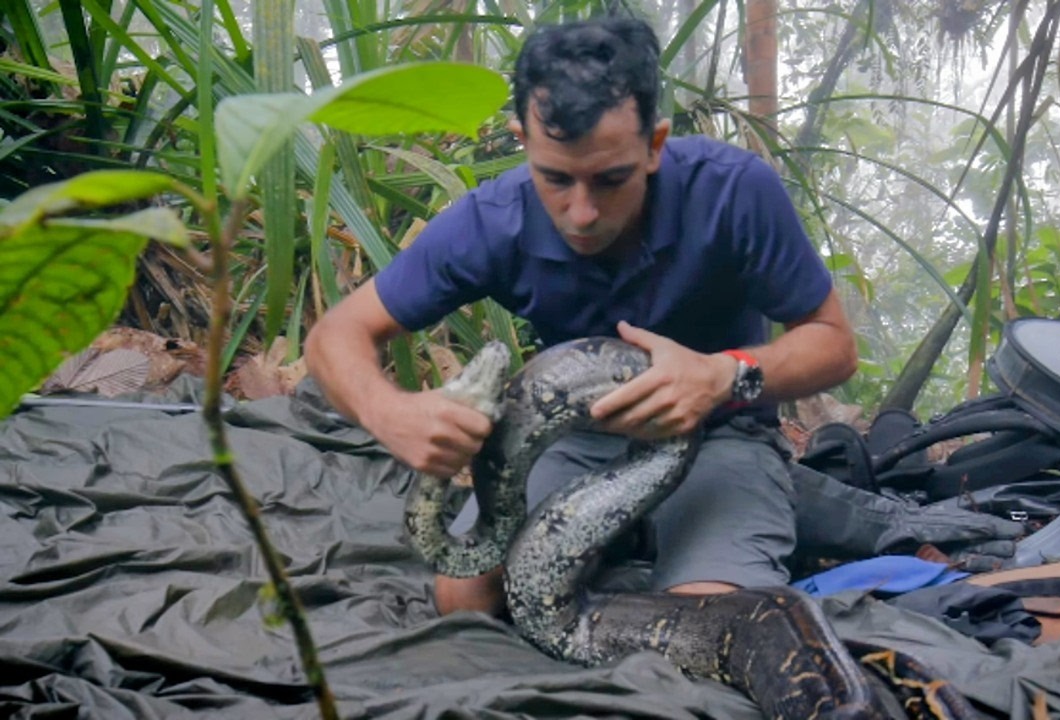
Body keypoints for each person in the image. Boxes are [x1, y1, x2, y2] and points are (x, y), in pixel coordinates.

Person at [303, 15, 858, 616]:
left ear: (655, 144)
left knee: (705, 623)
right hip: (577, 437)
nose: (582, 212)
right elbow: (337, 334)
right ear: (523, 140)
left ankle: (722, 524)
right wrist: (390, 412)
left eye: (610, 179)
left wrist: (720, 375)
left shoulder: (733, 192)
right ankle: (635, 533)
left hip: (721, 434)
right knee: (463, 598)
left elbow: (832, 343)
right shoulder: (494, 221)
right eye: (556, 178)